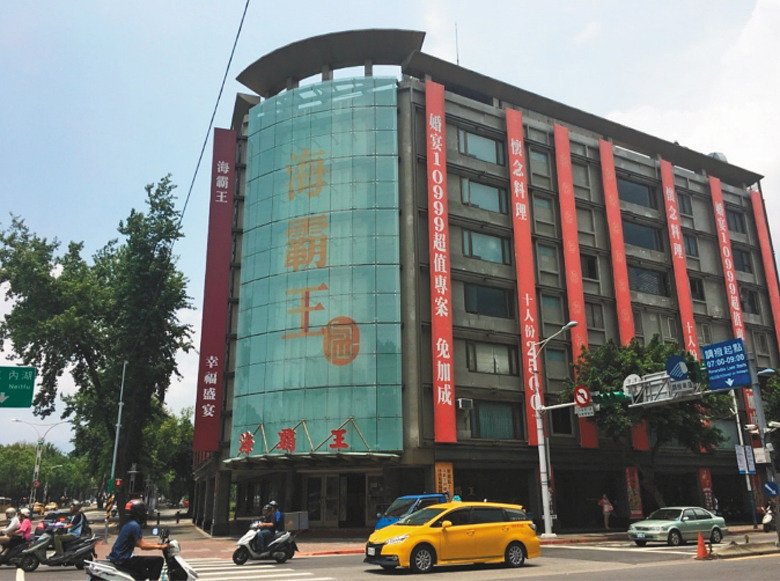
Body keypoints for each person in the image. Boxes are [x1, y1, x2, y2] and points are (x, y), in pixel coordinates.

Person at [107, 499, 169, 580]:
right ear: (138, 512)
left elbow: (137, 543)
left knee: (143, 572)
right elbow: (143, 546)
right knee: (158, 560)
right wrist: (161, 547)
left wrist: (157, 545)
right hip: (124, 560)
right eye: (143, 511)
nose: (145, 514)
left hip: (119, 559)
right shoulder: (134, 526)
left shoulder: (129, 524)